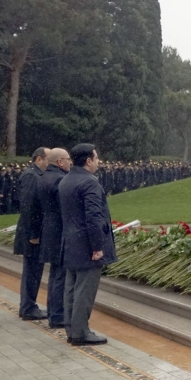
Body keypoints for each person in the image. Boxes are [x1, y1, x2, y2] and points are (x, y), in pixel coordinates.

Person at [59, 143, 117, 346]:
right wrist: (97, 246)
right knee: (84, 290)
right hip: (86, 245)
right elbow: (94, 217)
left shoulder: (66, 179)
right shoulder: (89, 183)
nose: (98, 161)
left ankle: (72, 328)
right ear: (88, 160)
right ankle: (80, 332)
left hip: (70, 243)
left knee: (71, 288)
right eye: (96, 157)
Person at [37, 148, 72, 329]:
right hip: (59, 231)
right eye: (68, 160)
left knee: (54, 275)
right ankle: (57, 315)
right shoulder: (60, 179)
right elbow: (64, 207)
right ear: (60, 162)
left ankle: (53, 311)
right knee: (60, 275)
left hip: (49, 229)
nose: (70, 163)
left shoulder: (43, 176)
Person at [14, 147, 49, 320]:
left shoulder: (38, 175)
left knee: (35, 270)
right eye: (47, 159)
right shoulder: (31, 176)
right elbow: (29, 207)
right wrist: (33, 234)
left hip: (35, 232)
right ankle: (28, 307)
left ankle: (30, 304)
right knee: (32, 270)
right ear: (38, 159)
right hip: (32, 234)